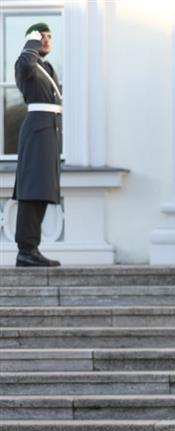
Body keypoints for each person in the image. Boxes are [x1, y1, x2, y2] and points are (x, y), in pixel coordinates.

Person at [12, 22, 62, 267]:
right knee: (32, 190)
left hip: (50, 131)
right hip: (37, 131)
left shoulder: (47, 67)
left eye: (49, 36)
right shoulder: (26, 63)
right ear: (31, 40)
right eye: (41, 36)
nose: (46, 40)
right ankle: (26, 250)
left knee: (42, 191)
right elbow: (24, 68)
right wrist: (30, 43)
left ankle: (32, 247)